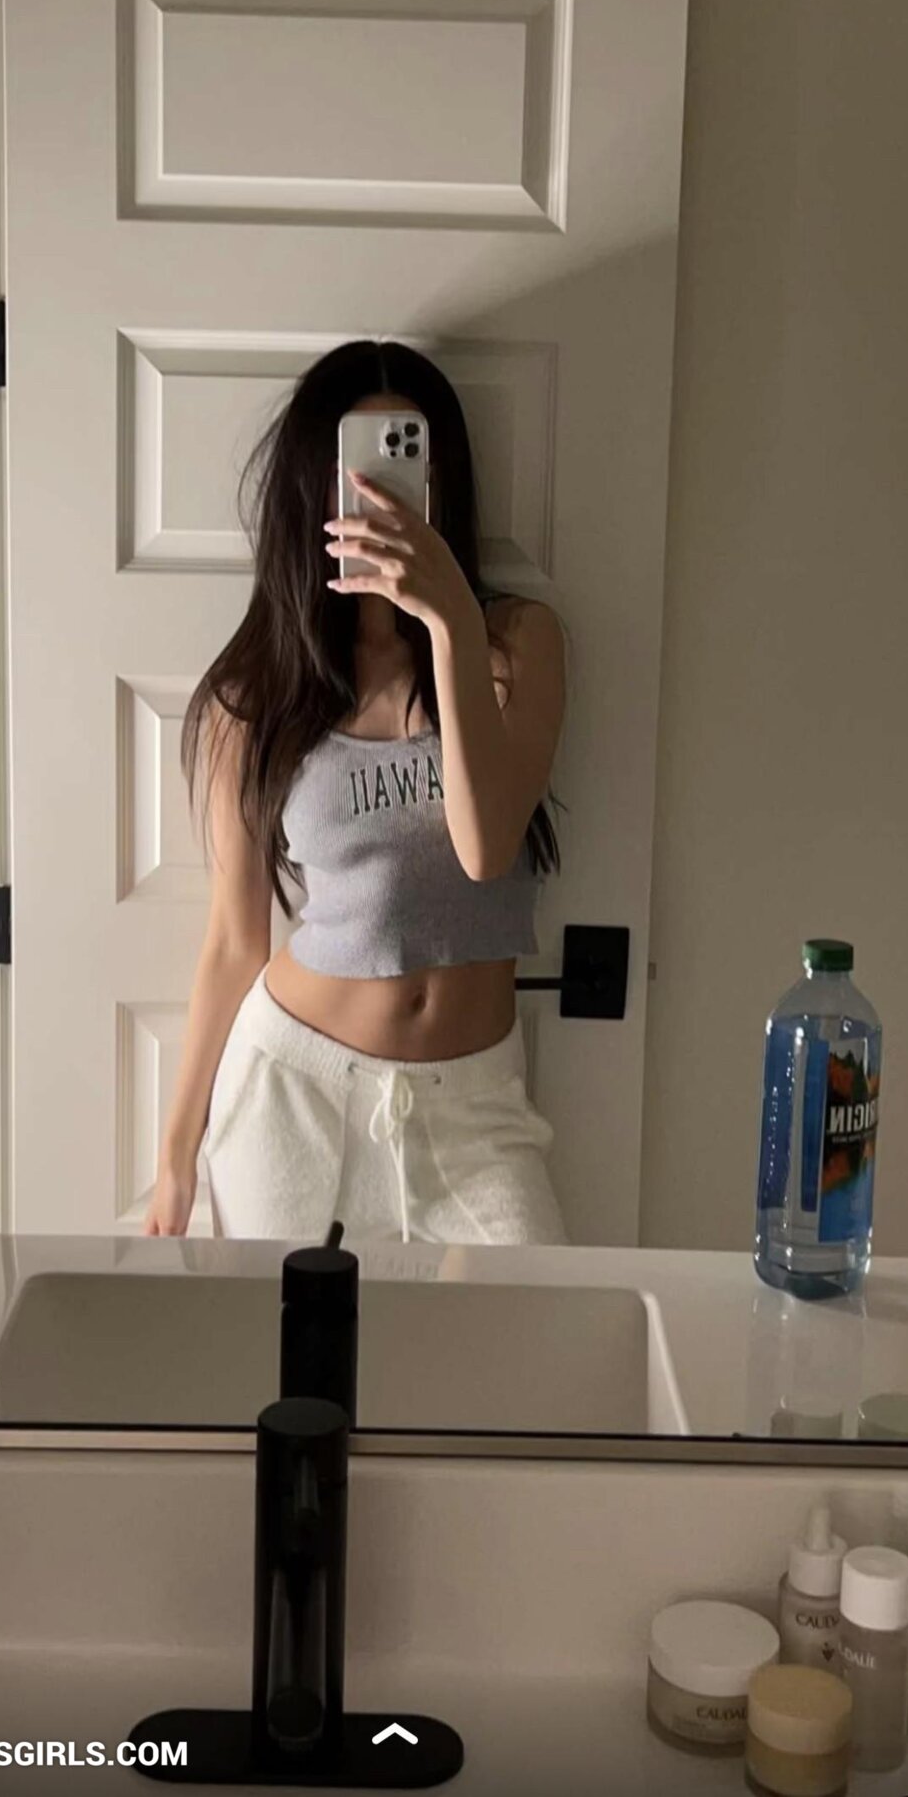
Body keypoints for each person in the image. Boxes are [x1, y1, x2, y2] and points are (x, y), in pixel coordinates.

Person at [144, 340, 568, 1245]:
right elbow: (234, 941)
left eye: (407, 460)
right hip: (293, 1091)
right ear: (318, 483)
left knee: (532, 1327)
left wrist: (450, 622)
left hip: (476, 1113)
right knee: (288, 1340)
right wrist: (176, 1153)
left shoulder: (517, 645)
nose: (383, 496)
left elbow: (487, 847)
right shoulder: (256, 695)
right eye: (358, 467)